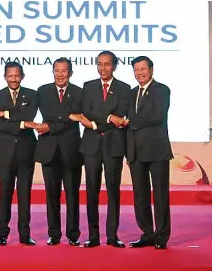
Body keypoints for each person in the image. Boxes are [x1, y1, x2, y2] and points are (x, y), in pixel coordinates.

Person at [79, 51, 130, 248]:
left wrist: (97, 122)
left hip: (113, 145)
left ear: (114, 66)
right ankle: (93, 235)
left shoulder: (124, 89)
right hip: (92, 145)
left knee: (113, 191)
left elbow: (121, 114)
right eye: (99, 64)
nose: (103, 68)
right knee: (92, 191)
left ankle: (112, 235)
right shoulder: (89, 86)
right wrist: (109, 119)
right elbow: (86, 111)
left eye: (107, 64)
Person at [122, 56, 172, 249]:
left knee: (160, 195)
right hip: (135, 151)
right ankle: (147, 234)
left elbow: (156, 116)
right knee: (140, 195)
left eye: (143, 69)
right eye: (136, 69)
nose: (140, 73)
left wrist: (128, 121)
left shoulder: (161, 90)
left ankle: (161, 237)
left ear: (151, 69)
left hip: (157, 150)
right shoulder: (131, 93)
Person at [34, 57, 83, 246]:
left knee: (72, 195)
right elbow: (51, 113)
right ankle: (54, 234)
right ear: (53, 72)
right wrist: (67, 116)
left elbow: (75, 117)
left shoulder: (79, 92)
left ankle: (73, 235)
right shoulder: (43, 91)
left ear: (70, 73)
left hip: (71, 151)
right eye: (57, 71)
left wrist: (53, 124)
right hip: (49, 150)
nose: (60, 74)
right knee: (51, 195)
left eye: (64, 71)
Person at [0, 62, 39, 246]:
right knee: (5, 194)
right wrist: (20, 122)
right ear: (5, 77)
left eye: (16, 75)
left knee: (25, 194)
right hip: (5, 152)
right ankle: (2, 233)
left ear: (22, 76)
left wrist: (6, 114)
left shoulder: (32, 95)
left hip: (26, 151)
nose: (13, 79)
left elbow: (30, 115)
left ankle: (25, 234)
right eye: (10, 76)